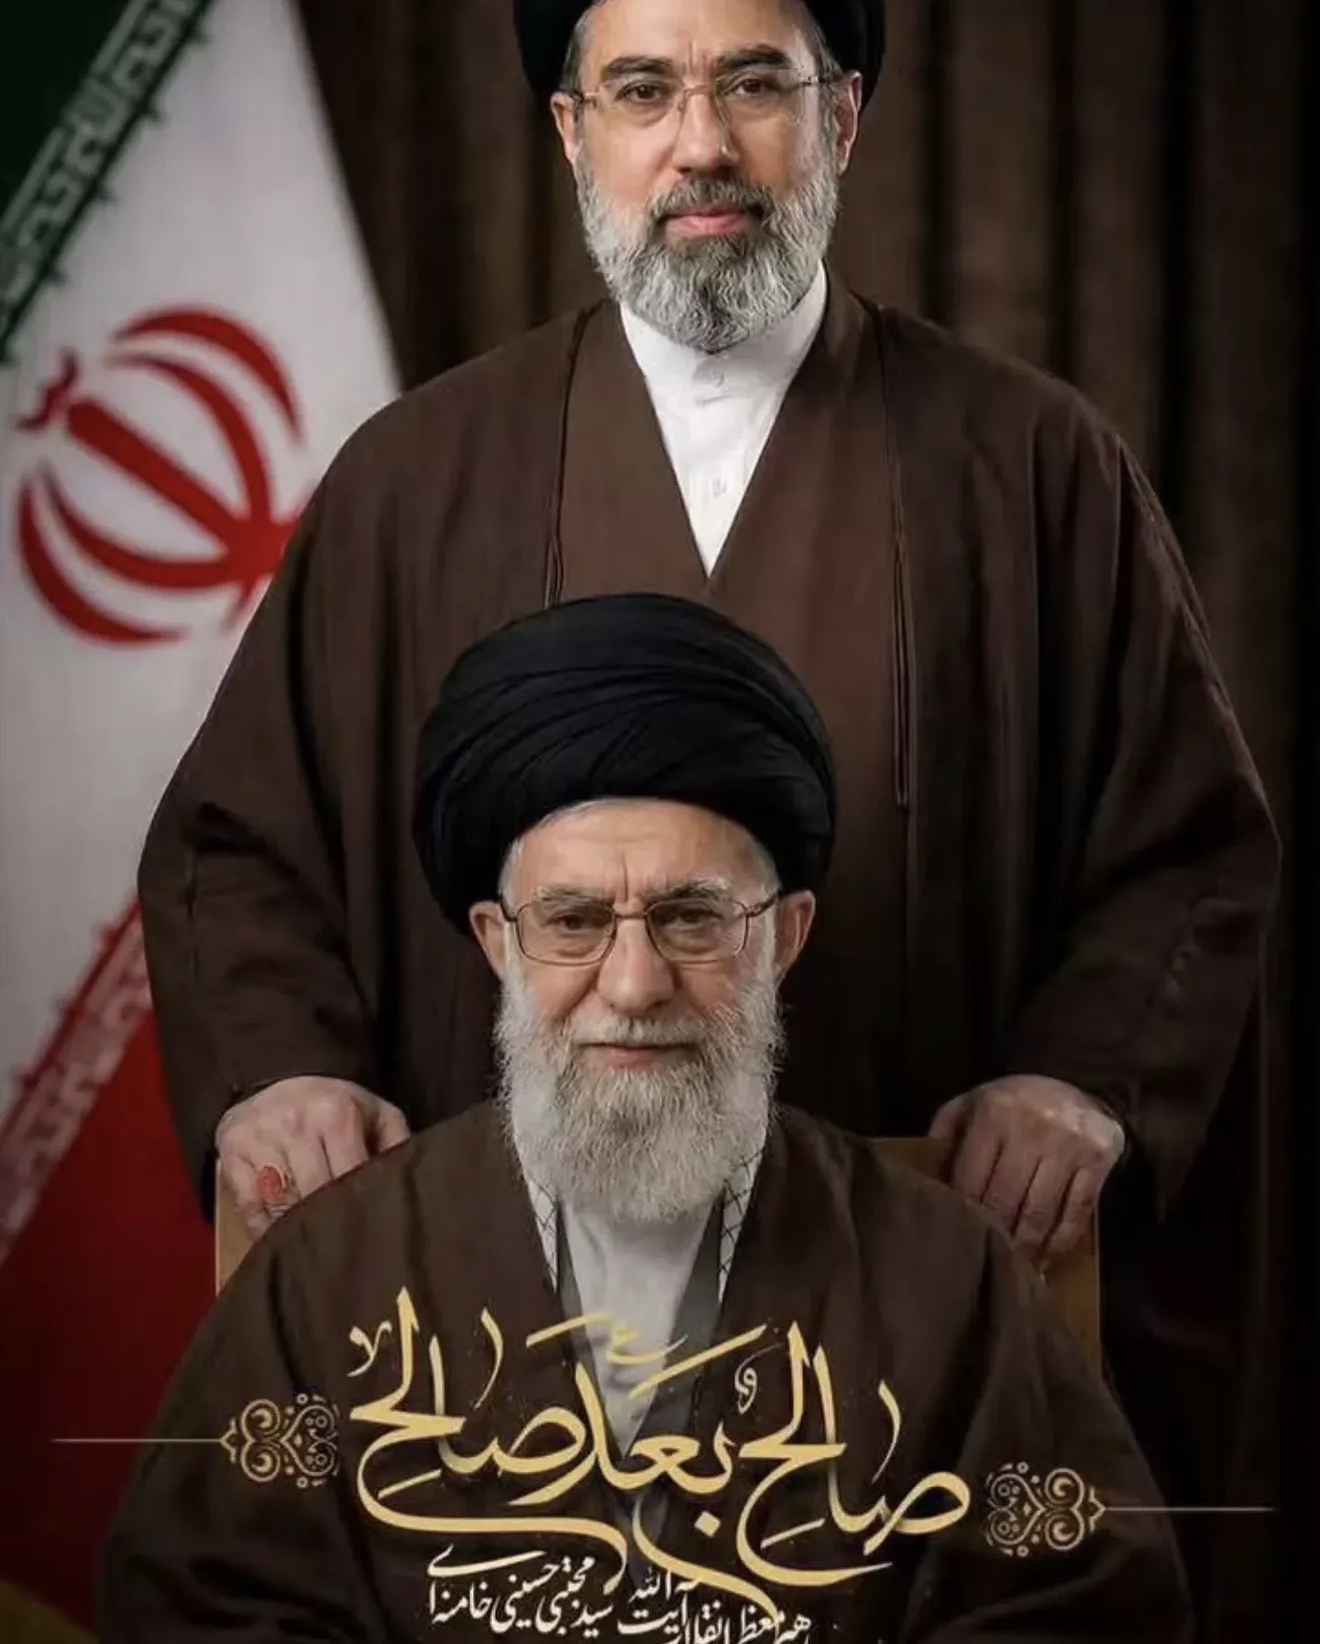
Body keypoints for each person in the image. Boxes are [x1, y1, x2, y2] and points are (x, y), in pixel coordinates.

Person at [136, 0, 1278, 1628]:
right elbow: (244, 843)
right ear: (569, 129)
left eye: (755, 83)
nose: (702, 144)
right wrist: (276, 1066)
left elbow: (1183, 848)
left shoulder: (1034, 467)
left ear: (844, 114)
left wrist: (1082, 1079)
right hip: (492, 1332)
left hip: (901, 1326)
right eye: (643, 90)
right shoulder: (414, 476)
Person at [104, 596, 1192, 1642]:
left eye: (692, 918)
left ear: (786, 936)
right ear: (497, 942)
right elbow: (204, 1603)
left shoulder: (948, 1283)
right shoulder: (330, 1276)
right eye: (573, 920)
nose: (632, 984)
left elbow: (1078, 1605)